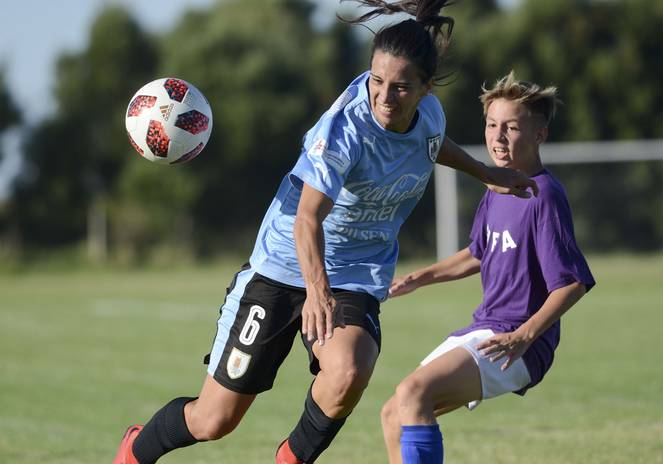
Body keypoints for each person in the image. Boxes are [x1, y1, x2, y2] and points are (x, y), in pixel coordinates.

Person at [111, 2, 540, 463]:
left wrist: (484, 172)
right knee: (214, 421)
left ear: (425, 89)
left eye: (400, 88)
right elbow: (307, 218)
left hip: (355, 271)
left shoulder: (430, 115)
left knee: (350, 368)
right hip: (281, 264)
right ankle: (135, 451)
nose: (384, 97)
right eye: (376, 81)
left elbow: (431, 143)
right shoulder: (344, 131)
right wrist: (317, 292)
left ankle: (290, 459)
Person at [379, 71, 596, 464]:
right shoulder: (497, 185)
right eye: (492, 125)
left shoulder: (542, 194)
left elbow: (573, 283)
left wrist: (524, 336)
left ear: (539, 135)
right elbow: (479, 252)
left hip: (518, 341)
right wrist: (417, 278)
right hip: (486, 326)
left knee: (414, 393)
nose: (497, 137)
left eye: (511, 128)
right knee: (393, 413)